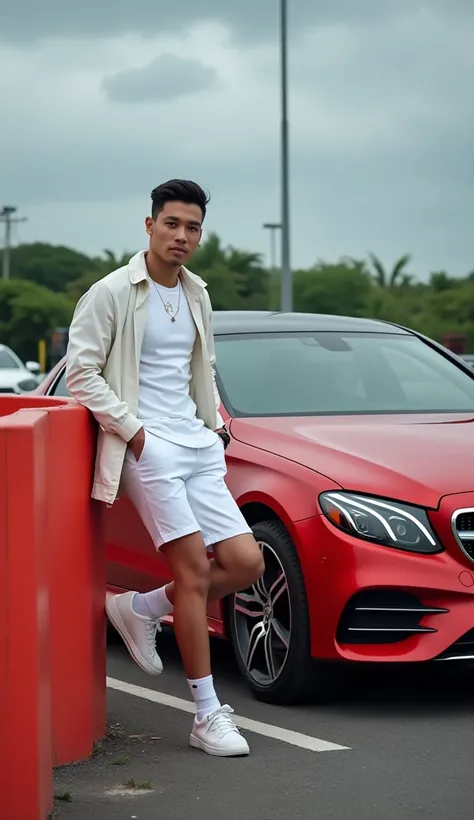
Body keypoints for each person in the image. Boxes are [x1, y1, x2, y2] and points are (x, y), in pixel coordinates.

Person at [65, 179, 265, 757]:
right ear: (149, 225)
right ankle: (206, 716)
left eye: (193, 227)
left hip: (197, 445)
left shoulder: (196, 292)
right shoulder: (111, 293)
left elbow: (199, 369)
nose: (182, 236)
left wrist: (215, 424)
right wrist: (137, 433)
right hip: (145, 449)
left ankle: (139, 606)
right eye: (172, 223)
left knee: (245, 562)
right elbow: (81, 375)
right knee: (196, 576)